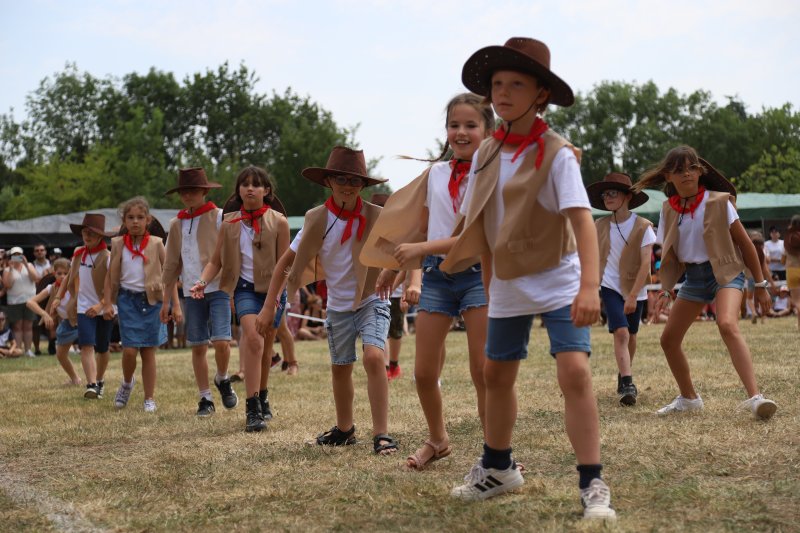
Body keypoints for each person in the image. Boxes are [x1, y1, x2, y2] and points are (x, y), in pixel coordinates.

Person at [436, 38, 614, 519]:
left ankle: (593, 482)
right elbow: (482, 226)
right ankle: (498, 468)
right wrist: (491, 286)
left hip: (559, 278)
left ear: (541, 94)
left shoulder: (557, 154)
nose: (503, 93)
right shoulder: (486, 152)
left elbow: (582, 222)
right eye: (497, 84)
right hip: (508, 282)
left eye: (517, 84)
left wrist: (589, 287)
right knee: (496, 374)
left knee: (574, 372)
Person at [362, 92, 494, 470]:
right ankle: (438, 440)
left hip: (478, 274)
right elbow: (422, 226)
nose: (461, 132)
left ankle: (496, 452)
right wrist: (394, 267)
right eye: (454, 125)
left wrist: (418, 248)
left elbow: (476, 236)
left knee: (483, 371)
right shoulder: (435, 174)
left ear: (488, 131)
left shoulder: (493, 175)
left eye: (470, 125)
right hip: (437, 276)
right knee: (423, 373)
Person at [262, 146, 398, 455]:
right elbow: (285, 264)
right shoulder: (316, 219)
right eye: (341, 179)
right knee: (340, 368)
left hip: (371, 299)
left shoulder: (376, 216)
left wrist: (398, 275)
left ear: (363, 185)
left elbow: (401, 250)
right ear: (328, 182)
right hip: (337, 306)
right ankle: (345, 429)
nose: (348, 186)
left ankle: (382, 434)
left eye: (355, 180)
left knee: (374, 357)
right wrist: (270, 305)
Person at [636, 145, 777, 421]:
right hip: (694, 278)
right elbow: (671, 256)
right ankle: (689, 399)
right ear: (668, 177)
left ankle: (756, 398)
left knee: (726, 324)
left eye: (691, 168)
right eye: (678, 170)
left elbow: (747, 245)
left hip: (726, 272)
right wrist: (666, 289)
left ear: (701, 172)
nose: (686, 174)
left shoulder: (719, 202)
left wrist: (760, 285)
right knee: (668, 340)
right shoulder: (668, 210)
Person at [191, 166, 290, 432]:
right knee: (254, 340)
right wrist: (202, 281)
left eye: (256, 184)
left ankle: (263, 395)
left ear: (266, 191)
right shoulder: (229, 223)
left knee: (265, 348)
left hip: (273, 290)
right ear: (238, 191)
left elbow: (286, 265)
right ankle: (252, 409)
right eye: (244, 184)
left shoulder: (279, 222)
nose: (250, 188)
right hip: (244, 289)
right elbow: (215, 261)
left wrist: (275, 298)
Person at [161, 167, 238, 417]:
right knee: (197, 345)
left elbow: (229, 254)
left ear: (204, 191)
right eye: (184, 191)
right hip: (190, 293)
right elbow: (171, 265)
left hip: (218, 287)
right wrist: (167, 302)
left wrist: (233, 288)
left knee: (222, 341)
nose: (188, 195)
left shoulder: (219, 216)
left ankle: (222, 377)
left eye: (193, 190)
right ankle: (205, 397)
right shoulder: (176, 224)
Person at [587, 173, 655, 406]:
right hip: (609, 286)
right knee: (622, 333)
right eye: (605, 194)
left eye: (613, 193)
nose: (607, 198)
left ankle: (623, 371)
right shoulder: (599, 225)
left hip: (636, 288)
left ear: (628, 196)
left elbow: (646, 264)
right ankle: (627, 383)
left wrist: (633, 296)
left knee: (632, 335)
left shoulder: (644, 227)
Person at [103, 197, 173, 413]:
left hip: (152, 301)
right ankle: (127, 383)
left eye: (140, 217)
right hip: (127, 301)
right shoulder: (117, 244)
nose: (135, 221)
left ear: (148, 220)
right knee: (130, 350)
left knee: (148, 351)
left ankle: (149, 398)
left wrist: (173, 305)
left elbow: (169, 275)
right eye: (130, 217)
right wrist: (107, 303)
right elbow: (109, 277)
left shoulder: (157, 243)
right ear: (124, 221)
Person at [54, 214, 114, 398]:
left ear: (100, 236)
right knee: (86, 346)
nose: (87, 236)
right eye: (85, 232)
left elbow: (114, 286)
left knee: (102, 349)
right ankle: (92, 384)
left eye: (92, 233)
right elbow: (68, 277)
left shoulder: (108, 257)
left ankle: (100, 380)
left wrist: (101, 305)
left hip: (104, 308)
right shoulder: (78, 253)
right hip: (83, 308)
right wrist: (58, 297)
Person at [26, 258, 82, 385]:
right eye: (59, 273)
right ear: (54, 274)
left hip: (82, 321)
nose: (62, 276)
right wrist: (44, 314)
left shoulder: (76, 285)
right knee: (61, 354)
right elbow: (30, 302)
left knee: (87, 351)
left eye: (66, 273)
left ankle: (94, 381)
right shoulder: (51, 288)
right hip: (67, 323)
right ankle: (75, 379)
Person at [2, 246, 40, 357]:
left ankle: (28, 350)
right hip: (14, 302)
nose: (17, 257)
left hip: (30, 300)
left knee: (28, 326)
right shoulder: (7, 270)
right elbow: (8, 285)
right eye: (14, 255)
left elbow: (35, 278)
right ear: (11, 257)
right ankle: (18, 350)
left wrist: (26, 265)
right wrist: (11, 269)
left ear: (22, 255)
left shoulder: (30, 265)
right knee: (17, 327)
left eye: (19, 255)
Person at [782, 215, 800, 330]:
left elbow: (782, 260)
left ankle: (799, 325)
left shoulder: (788, 240)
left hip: (792, 270)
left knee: (797, 301)